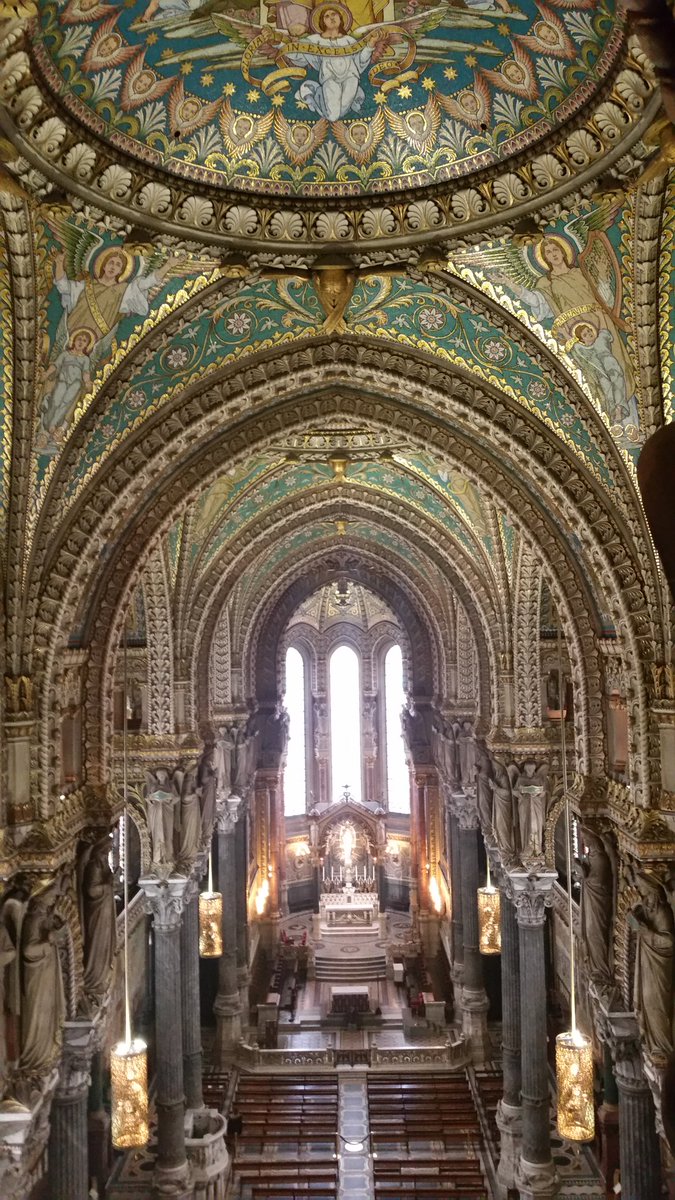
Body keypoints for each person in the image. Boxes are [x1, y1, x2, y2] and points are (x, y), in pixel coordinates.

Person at [286, 4, 378, 122]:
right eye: (327, 16)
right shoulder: (314, 40)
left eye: (334, 14)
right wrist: (289, 45)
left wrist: (370, 46)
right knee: (333, 116)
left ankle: (338, 96)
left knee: (342, 112)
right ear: (323, 22)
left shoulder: (349, 40)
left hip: (351, 78)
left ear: (340, 18)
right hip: (330, 78)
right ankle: (315, 93)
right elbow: (299, 57)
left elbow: (360, 63)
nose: (331, 18)